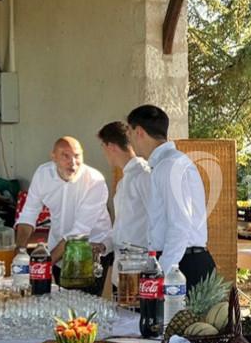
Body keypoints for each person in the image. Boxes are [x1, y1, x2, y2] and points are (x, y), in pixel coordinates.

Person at [125, 105, 216, 288]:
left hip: (183, 266)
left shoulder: (169, 165)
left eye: (129, 132)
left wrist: (160, 276)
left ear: (139, 132)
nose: (129, 141)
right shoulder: (166, 164)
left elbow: (179, 226)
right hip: (179, 261)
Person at [14, 137, 112, 271]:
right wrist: (19, 254)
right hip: (57, 250)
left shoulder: (95, 181)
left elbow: (78, 232)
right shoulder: (43, 174)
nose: (72, 163)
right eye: (65, 156)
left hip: (91, 251)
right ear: (53, 157)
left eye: (77, 156)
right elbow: (29, 213)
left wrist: (44, 265)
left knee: (83, 293)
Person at [96, 121, 152, 286]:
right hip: (122, 269)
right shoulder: (123, 182)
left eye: (103, 146)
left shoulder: (144, 175)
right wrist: (104, 245)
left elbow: (158, 220)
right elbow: (123, 225)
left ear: (111, 146)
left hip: (140, 269)